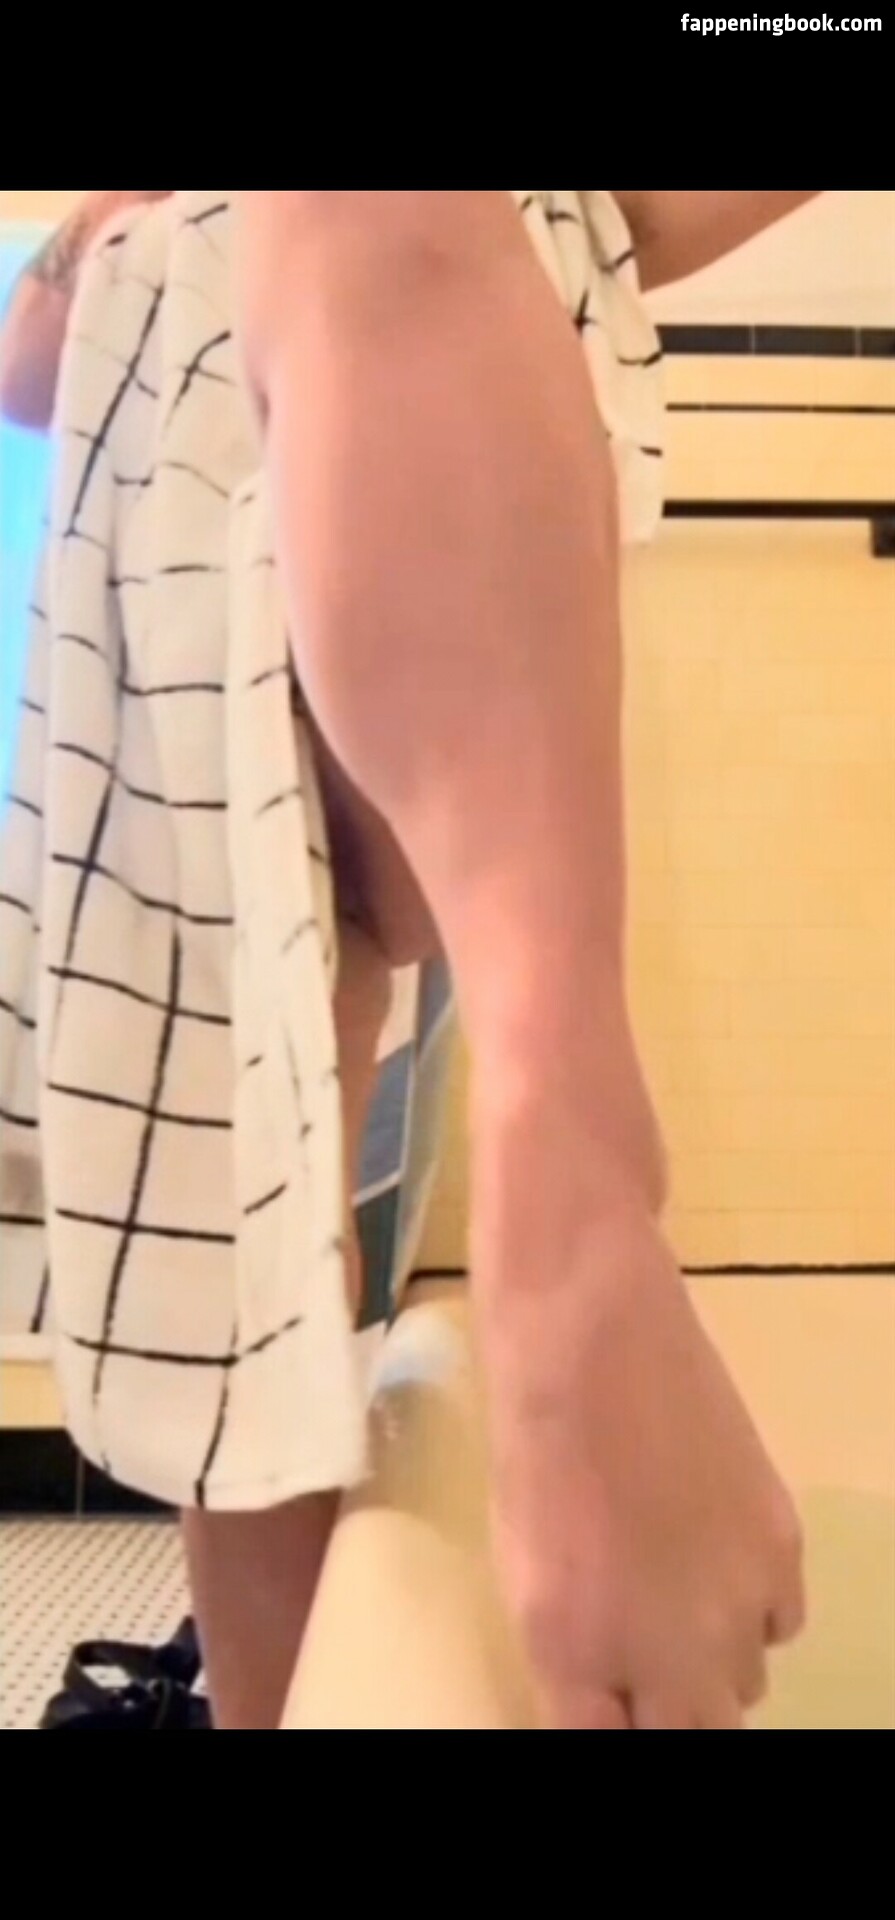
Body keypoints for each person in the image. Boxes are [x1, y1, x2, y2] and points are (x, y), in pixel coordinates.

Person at [1, 189, 820, 1730]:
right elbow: (28, 364)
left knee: (254, 1219)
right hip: (307, 434)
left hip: (353, 399)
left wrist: (575, 1193)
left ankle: (566, 1210)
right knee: (259, 1246)